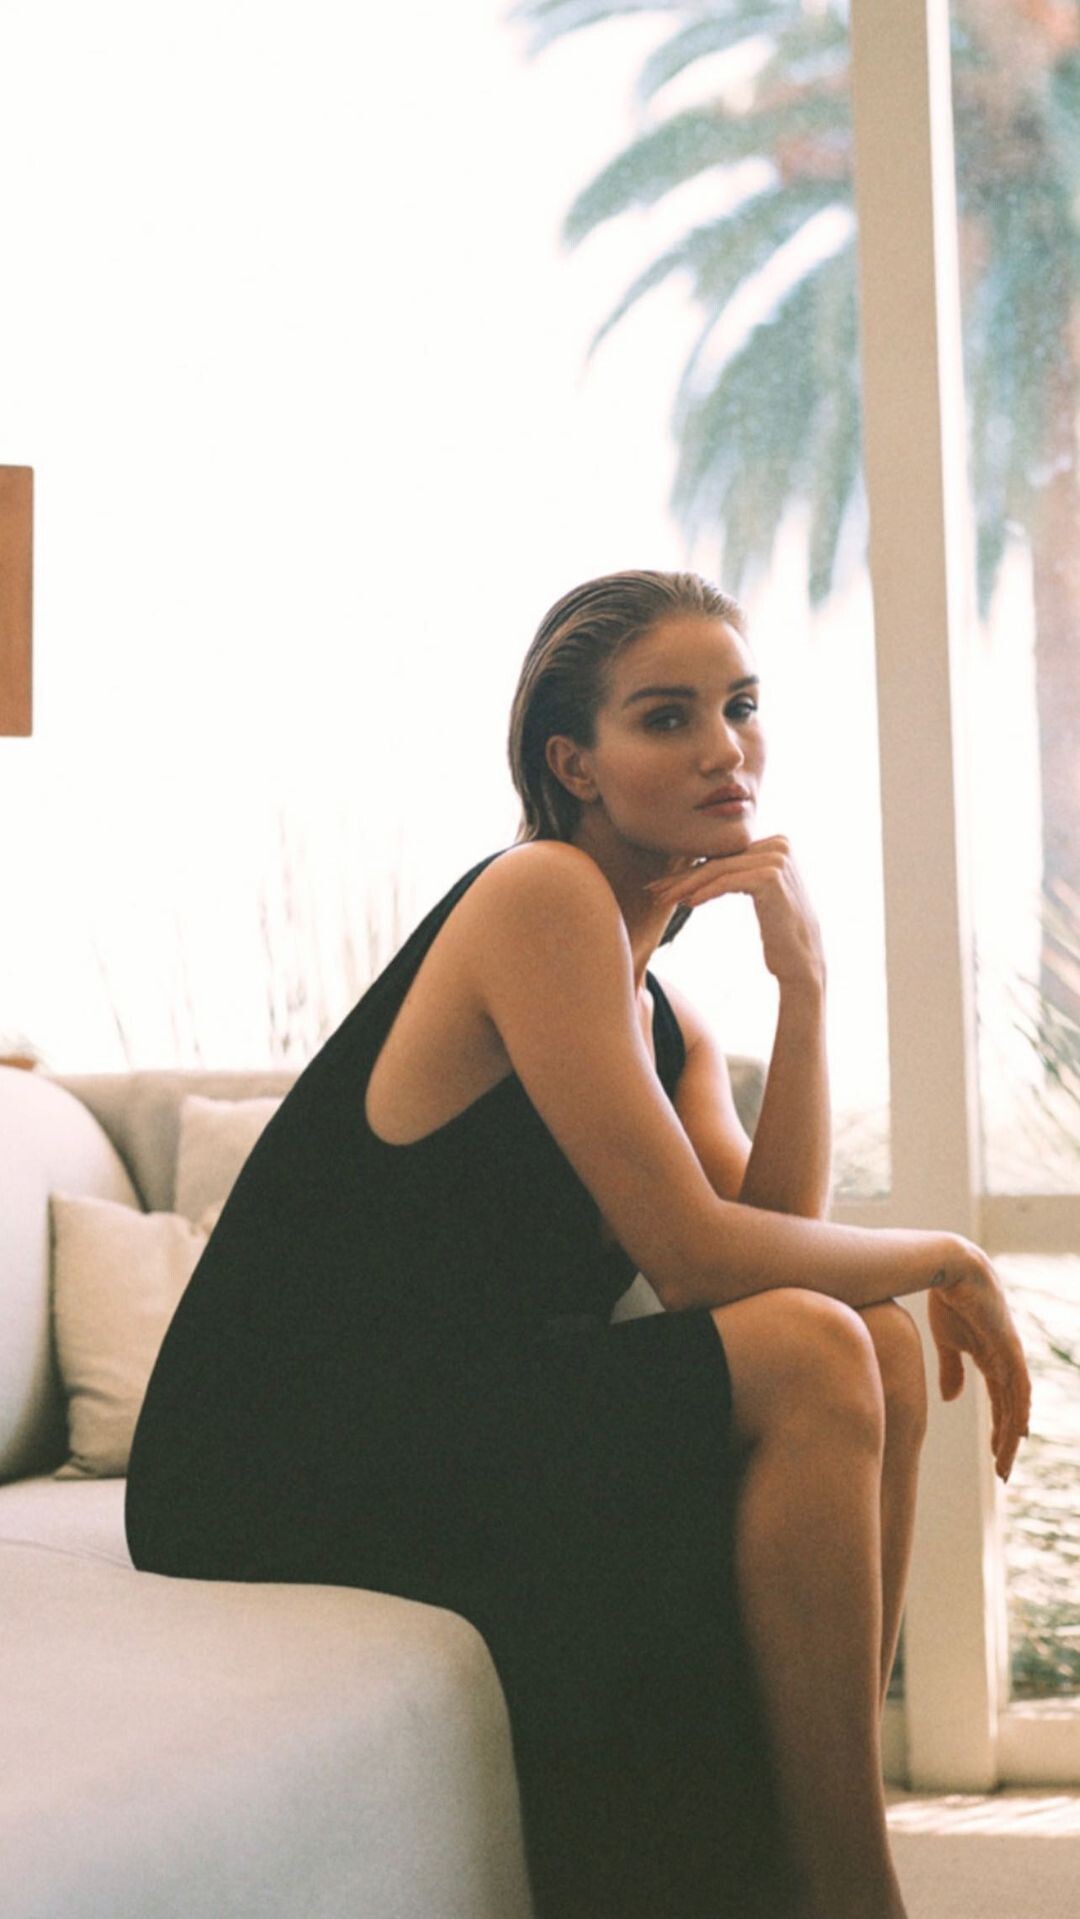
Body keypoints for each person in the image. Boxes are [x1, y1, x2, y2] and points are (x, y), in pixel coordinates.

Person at [126, 568, 1032, 1919]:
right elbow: (698, 1264)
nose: (724, 748)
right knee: (819, 1345)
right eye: (668, 717)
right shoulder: (537, 896)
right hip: (277, 1448)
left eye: (740, 707)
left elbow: (768, 1242)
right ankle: (853, 1896)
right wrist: (951, 1255)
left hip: (460, 1408)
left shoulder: (663, 1012)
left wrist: (806, 992)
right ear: (575, 766)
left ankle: (822, 1856)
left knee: (874, 1349)